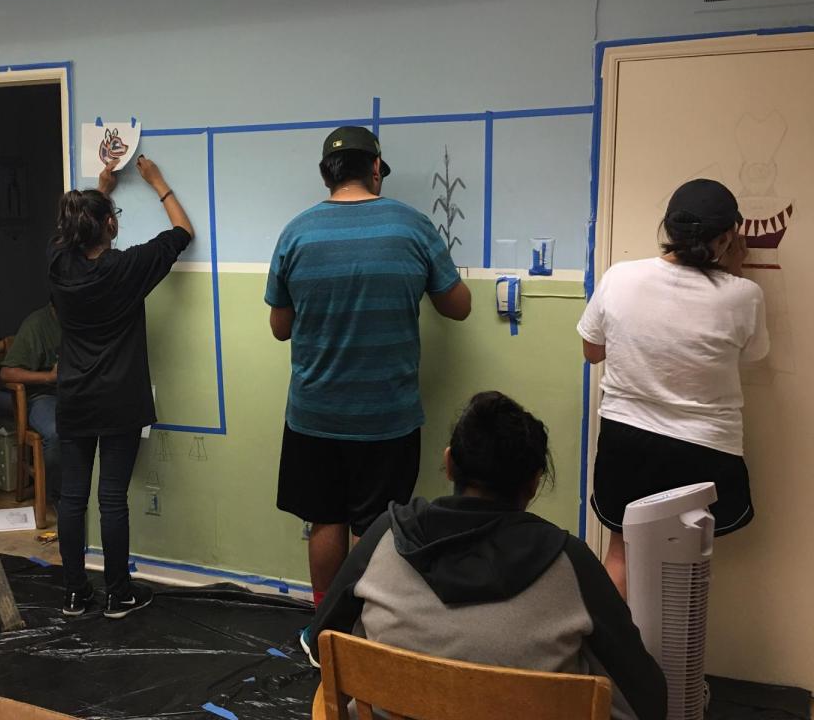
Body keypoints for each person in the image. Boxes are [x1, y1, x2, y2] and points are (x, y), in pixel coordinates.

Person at [307, 392, 667, 720]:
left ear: (449, 464)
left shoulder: (386, 534)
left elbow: (323, 640)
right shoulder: (571, 562)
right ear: (534, 483)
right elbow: (649, 700)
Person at [265, 126, 472, 610]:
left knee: (325, 520)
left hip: (314, 415)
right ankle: (364, 630)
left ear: (325, 175)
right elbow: (458, 308)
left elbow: (279, 328)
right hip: (388, 416)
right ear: (376, 168)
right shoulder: (413, 226)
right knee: (374, 525)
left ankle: (325, 626)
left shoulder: (295, 232)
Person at [578, 178, 768, 597]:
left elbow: (592, 352)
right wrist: (732, 274)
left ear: (668, 229)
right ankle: (673, 662)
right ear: (726, 238)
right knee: (687, 564)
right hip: (705, 449)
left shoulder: (621, 276)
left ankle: (613, 662)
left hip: (627, 442)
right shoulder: (744, 296)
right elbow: (752, 355)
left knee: (620, 556)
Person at [49, 155, 194, 619]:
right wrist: (159, 182)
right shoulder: (127, 268)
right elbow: (181, 233)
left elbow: (75, 235)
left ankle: (74, 593)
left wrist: (103, 189)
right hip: (120, 400)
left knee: (72, 498)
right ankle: (118, 594)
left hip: (73, 396)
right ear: (110, 225)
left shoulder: (58, 266)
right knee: (111, 497)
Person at [0, 302, 62, 508]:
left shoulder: (84, 318)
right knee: (56, 432)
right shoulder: (36, 325)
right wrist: (49, 377)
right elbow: (7, 373)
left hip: (77, 393)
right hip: (43, 396)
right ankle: (58, 497)